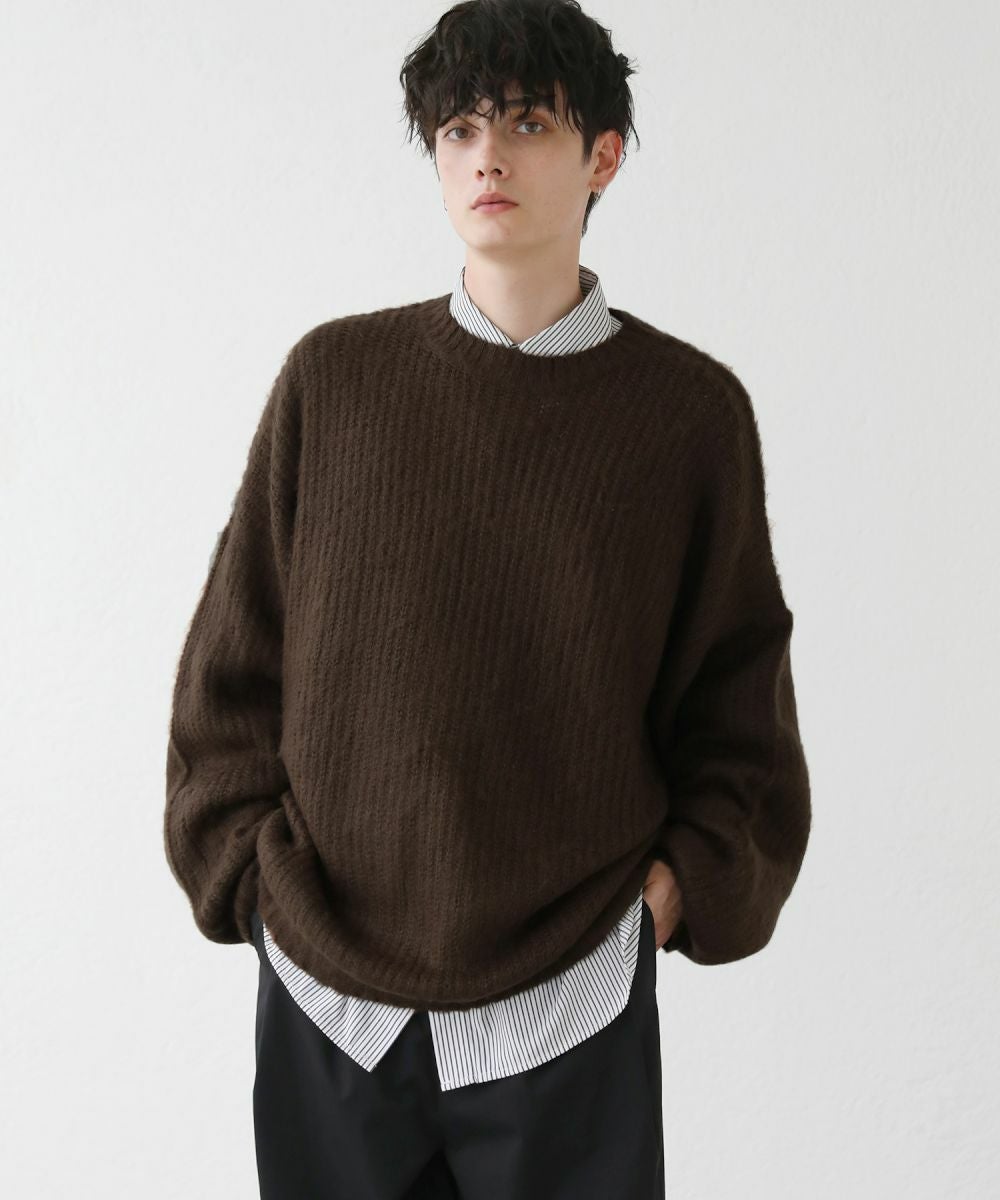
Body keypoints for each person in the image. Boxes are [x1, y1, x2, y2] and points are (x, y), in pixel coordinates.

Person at [164, 2, 812, 1196]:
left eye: (525, 124)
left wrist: (666, 904)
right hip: (327, 998)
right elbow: (232, 673)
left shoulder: (686, 417)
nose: (486, 158)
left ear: (602, 156)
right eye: (458, 129)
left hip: (568, 1002)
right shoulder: (333, 383)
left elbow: (738, 715)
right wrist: (257, 890)